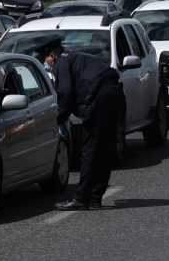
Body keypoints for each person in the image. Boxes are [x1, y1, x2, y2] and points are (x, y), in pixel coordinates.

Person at [42, 41, 123, 210]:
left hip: (100, 98)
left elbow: (65, 91)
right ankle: (95, 197)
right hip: (114, 94)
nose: (47, 64)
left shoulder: (62, 61)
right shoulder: (78, 58)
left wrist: (59, 118)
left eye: (46, 59)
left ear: (52, 55)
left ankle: (81, 198)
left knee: (90, 150)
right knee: (105, 148)